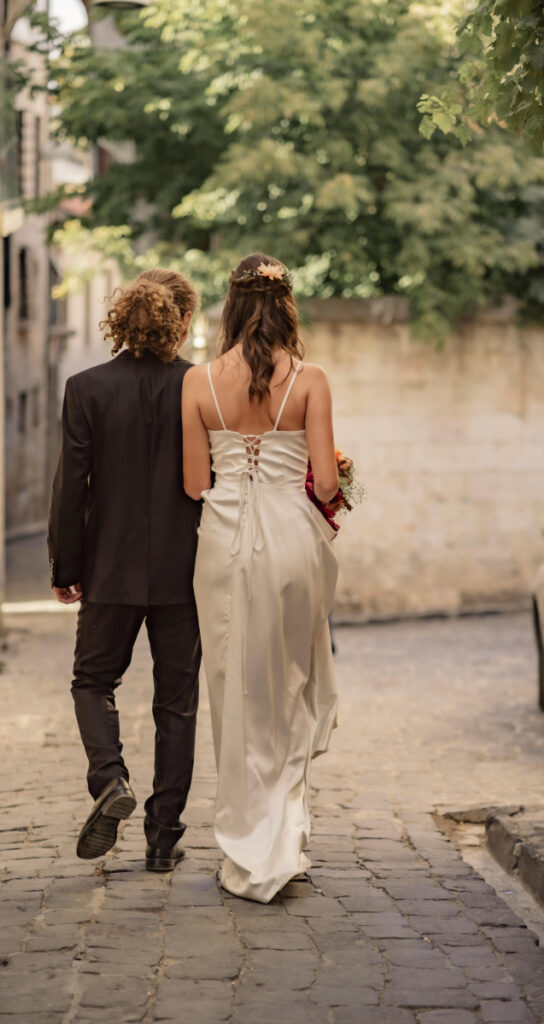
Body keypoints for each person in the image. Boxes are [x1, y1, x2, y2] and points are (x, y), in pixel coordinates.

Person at [182, 253, 340, 903]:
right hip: (290, 543)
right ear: (285, 307)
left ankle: (245, 840)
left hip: (222, 547)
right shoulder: (310, 379)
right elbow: (326, 482)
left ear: (231, 306)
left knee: (234, 690)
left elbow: (195, 484)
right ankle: (283, 836)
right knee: (289, 685)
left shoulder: (197, 383)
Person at [49, 269, 202, 871]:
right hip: (183, 573)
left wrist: (67, 564)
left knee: (92, 682)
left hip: (109, 569)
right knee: (177, 705)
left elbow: (71, 489)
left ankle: (110, 780)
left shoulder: (85, 388)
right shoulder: (199, 387)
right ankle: (163, 841)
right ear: (181, 321)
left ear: (120, 321)